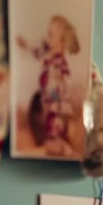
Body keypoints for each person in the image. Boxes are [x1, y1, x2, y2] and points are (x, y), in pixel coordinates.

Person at [16, 15, 80, 156]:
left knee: (55, 123)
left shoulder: (60, 62)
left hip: (56, 101)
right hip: (47, 98)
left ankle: (60, 145)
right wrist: (25, 45)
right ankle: (54, 143)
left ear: (61, 41)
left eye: (51, 35)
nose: (48, 38)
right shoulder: (49, 54)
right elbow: (37, 52)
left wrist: (62, 98)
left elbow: (66, 82)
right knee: (48, 122)